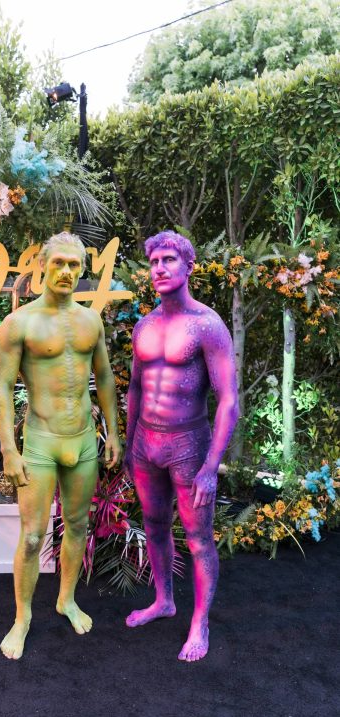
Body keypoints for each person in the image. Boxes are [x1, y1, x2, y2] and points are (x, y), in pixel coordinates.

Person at [0, 231, 121, 660]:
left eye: (74, 264)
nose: (66, 271)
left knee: (78, 525)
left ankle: (66, 599)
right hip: (41, 442)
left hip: (82, 440)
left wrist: (113, 432)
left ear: (82, 270)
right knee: (33, 536)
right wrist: (9, 450)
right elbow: (2, 388)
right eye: (58, 263)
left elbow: (104, 378)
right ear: (42, 266)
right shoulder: (19, 323)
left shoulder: (91, 321)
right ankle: (22, 617)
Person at [125, 230, 238, 662]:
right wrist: (129, 442)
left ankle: (199, 622)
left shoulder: (207, 325)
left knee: (198, 538)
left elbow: (228, 401)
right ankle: (164, 601)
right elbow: (136, 387)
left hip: (189, 444)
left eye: (169, 259)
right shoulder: (144, 326)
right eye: (154, 261)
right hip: (146, 444)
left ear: (189, 267)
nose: (160, 268)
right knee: (154, 526)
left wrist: (211, 466)